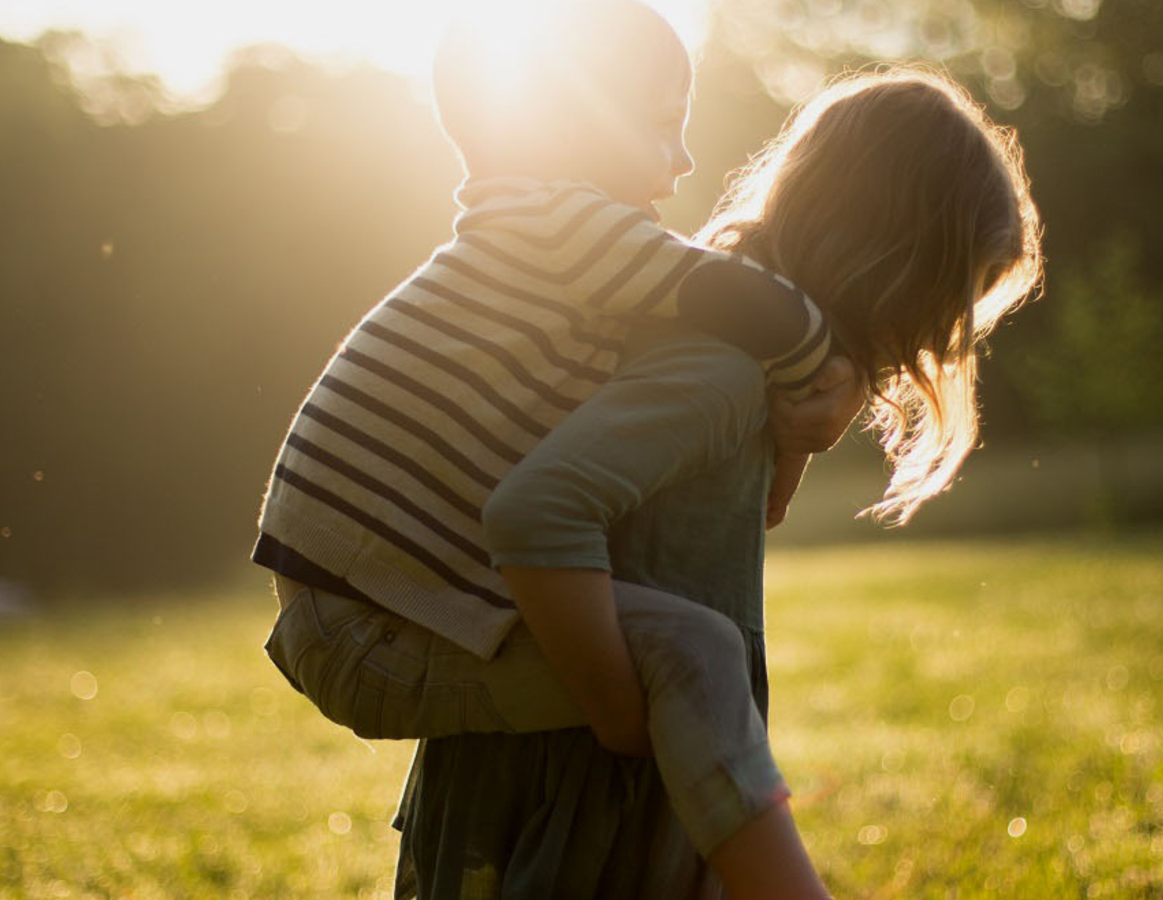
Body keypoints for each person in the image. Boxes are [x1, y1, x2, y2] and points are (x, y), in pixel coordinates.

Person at [253, 2, 867, 897]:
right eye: (664, 128)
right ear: (575, 126)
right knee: (692, 650)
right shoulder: (561, 227)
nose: (687, 161)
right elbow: (746, 301)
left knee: (678, 649)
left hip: (354, 608)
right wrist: (824, 384)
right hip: (366, 625)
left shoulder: (532, 241)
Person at [388, 65, 1043, 898]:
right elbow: (538, 510)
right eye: (950, 298)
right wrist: (625, 715)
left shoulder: (744, 362)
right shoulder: (721, 373)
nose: (937, 337)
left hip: (620, 761)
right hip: (578, 777)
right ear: (895, 264)